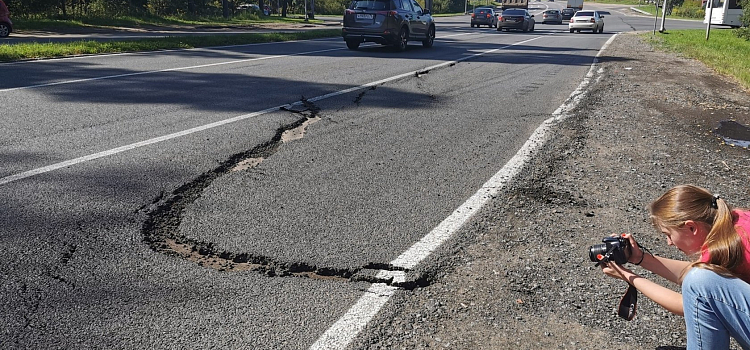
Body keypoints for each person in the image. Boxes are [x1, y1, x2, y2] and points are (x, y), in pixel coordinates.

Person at [600, 184, 750, 350]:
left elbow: (690, 302)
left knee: (698, 283)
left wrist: (627, 275)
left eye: (668, 235)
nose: (669, 243)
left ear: (691, 227)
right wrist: (639, 258)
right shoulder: (736, 223)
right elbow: (705, 280)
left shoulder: (733, 246)